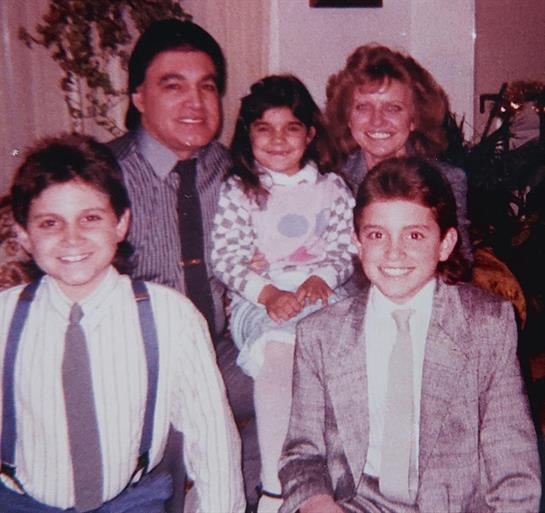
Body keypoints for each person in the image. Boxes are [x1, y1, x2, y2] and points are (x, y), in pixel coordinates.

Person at [278, 156, 541, 513]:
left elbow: (512, 463)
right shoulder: (320, 334)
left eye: (414, 235)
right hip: (356, 504)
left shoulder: (487, 325)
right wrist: (318, 503)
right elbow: (302, 455)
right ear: (357, 243)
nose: (394, 251)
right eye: (376, 235)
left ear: (445, 244)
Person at [0, 134, 245, 512]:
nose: (71, 238)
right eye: (50, 223)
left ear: (121, 223)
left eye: (91, 218)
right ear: (24, 235)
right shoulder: (4, 317)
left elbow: (213, 444)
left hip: (130, 502)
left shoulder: (171, 318)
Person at [108, 18, 258, 506]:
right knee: (164, 429)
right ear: (138, 96)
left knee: (300, 385)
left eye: (207, 87)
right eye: (173, 86)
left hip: (221, 355)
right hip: (137, 364)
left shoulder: (239, 172)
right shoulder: (102, 176)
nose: (195, 103)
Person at [211, 75, 356, 513]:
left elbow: (347, 249)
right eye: (264, 129)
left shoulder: (332, 189)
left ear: (309, 134)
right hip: (260, 298)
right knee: (279, 353)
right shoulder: (240, 191)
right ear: (248, 134)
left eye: (290, 128)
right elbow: (226, 259)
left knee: (339, 356)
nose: (277, 140)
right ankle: (275, 488)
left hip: (320, 292)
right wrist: (269, 292)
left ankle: (340, 476)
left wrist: (324, 277)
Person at [325, 44, 472, 261]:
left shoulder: (447, 179)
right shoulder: (331, 180)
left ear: (414, 119)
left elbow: (458, 263)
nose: (377, 120)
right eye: (363, 107)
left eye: (393, 108)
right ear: (348, 118)